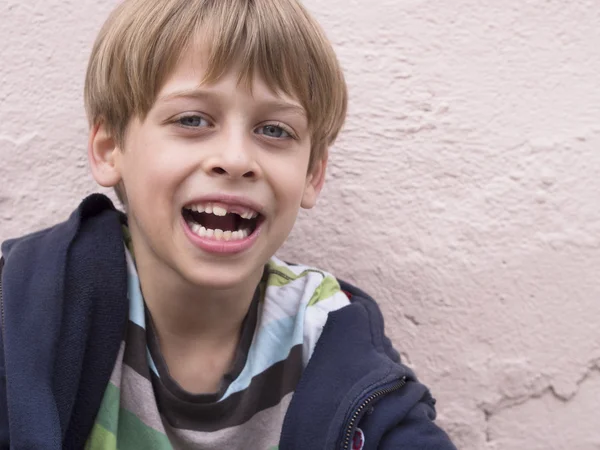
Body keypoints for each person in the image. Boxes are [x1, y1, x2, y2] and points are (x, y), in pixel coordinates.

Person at [0, 0, 457, 448]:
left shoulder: (331, 334)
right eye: (192, 120)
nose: (236, 160)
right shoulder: (25, 308)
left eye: (274, 130)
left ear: (312, 174)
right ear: (109, 148)